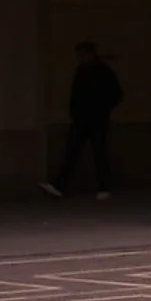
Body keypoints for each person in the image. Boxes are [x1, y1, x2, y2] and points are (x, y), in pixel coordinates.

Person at [43, 41, 123, 199]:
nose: (79, 58)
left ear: (91, 54)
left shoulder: (103, 71)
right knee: (72, 152)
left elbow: (117, 94)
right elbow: (75, 95)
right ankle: (59, 185)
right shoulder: (80, 71)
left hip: (97, 119)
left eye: (82, 54)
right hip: (80, 119)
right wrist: (74, 113)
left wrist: (102, 109)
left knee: (99, 152)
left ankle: (104, 187)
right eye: (78, 55)